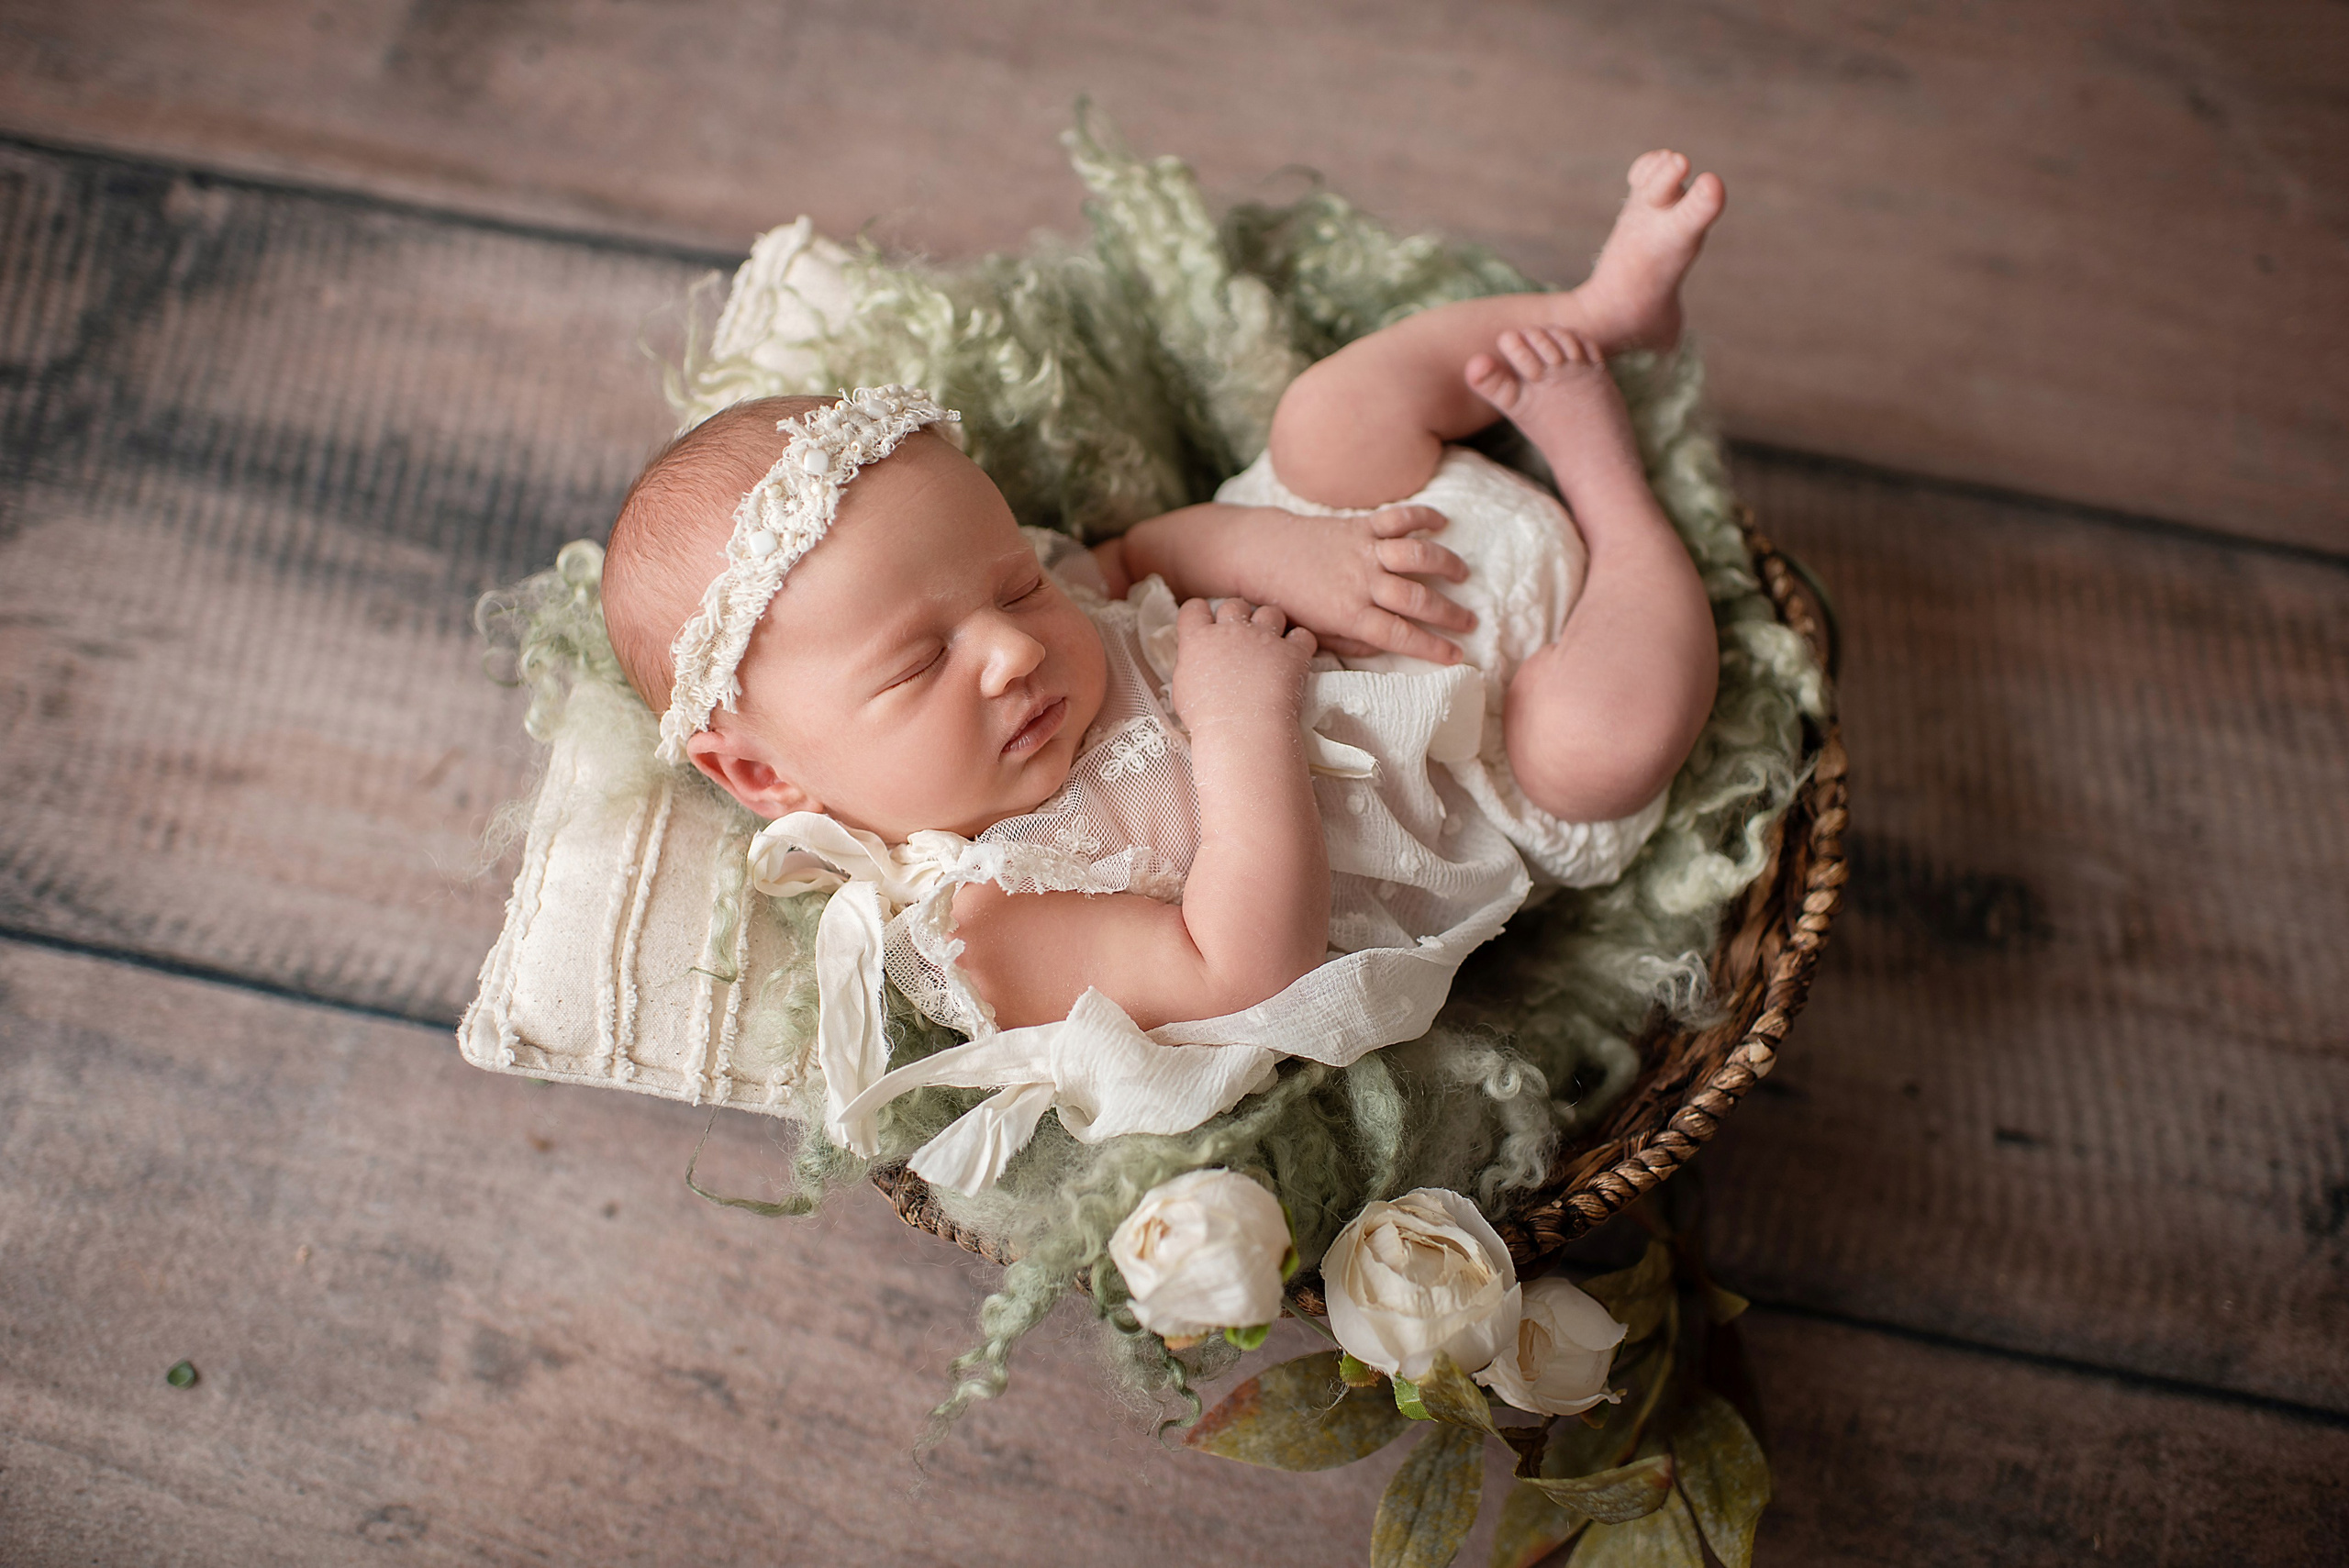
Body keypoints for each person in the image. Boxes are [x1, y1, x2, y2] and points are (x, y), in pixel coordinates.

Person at [596, 151, 1724, 1193]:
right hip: (1473, 756)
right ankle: (1609, 483)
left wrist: (1293, 551)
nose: (1013, 645)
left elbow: (1136, 557)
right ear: (760, 771)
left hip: (1377, 563)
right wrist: (1241, 723)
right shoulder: (988, 913)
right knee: (1599, 747)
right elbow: (1237, 963)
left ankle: (1599, 313)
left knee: (1324, 417)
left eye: (1012, 587)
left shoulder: (1018, 622)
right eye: (918, 664)